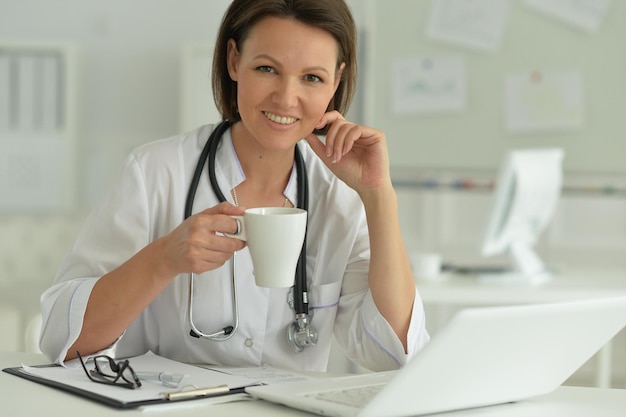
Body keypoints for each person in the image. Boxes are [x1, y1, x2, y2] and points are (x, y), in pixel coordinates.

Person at [40, 0, 429, 372]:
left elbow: (395, 352)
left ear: (336, 81)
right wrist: (163, 259)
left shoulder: (341, 196)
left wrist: (379, 194)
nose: (287, 97)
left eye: (312, 77)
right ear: (234, 60)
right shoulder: (155, 172)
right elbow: (64, 340)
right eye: (267, 68)